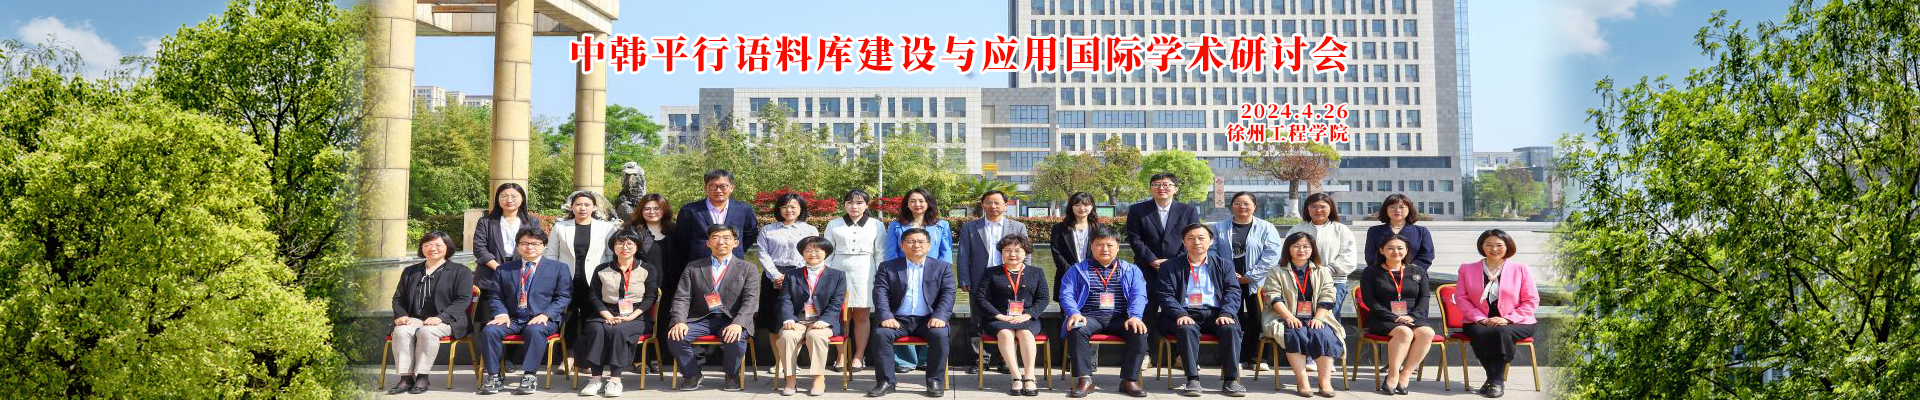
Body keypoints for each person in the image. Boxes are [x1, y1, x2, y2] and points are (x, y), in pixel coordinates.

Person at [476, 228, 573, 395]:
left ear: (544, 246)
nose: (529, 247)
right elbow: (495, 296)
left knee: (534, 330)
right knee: (489, 330)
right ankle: (494, 376)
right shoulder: (504, 269)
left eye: (535, 243)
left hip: (543, 318)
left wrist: (546, 314)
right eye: (524, 243)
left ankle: (529, 375)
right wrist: (501, 313)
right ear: (518, 246)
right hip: (512, 318)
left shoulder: (559, 268)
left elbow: (564, 297)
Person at [664, 225, 761, 391]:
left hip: (731, 319)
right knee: (676, 336)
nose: (721, 242)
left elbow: (750, 300)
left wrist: (738, 323)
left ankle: (732, 374)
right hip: (700, 318)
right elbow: (682, 297)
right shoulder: (693, 267)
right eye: (715, 238)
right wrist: (679, 321)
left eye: (726, 238)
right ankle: (692, 374)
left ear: (736, 243)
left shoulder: (748, 268)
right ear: (708, 243)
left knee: (735, 338)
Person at [1157, 223, 1248, 397]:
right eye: (1190, 238)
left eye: (1201, 238)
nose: (1196, 242)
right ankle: (1192, 379)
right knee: (1186, 328)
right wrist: (1180, 313)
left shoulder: (1224, 265)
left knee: (1230, 328)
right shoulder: (1170, 266)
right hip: (1185, 312)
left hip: (1216, 313)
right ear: (1183, 242)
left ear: (1210, 241)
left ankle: (1231, 380)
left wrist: (1227, 313)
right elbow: (1165, 294)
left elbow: (1233, 291)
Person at [1060, 226, 1151, 398]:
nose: (1104, 249)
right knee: (1077, 328)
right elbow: (1066, 294)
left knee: (1138, 331)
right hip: (1089, 316)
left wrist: (1135, 316)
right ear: (1091, 246)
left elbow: (1139, 295)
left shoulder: (1131, 270)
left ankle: (1129, 380)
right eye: (1099, 244)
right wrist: (1074, 312)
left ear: (1118, 247)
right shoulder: (1077, 270)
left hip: (1120, 317)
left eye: (1109, 245)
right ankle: (1085, 380)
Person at [866, 228, 957, 398]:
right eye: (910, 241)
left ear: (929, 245)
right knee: (881, 334)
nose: (916, 245)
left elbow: (949, 293)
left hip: (928, 319)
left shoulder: (942, 267)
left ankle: (934, 381)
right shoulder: (888, 267)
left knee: (940, 335)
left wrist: (940, 316)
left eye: (921, 241)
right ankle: (886, 382)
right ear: (902, 245)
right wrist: (886, 316)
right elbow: (880, 293)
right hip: (898, 319)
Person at [1124, 173, 1198, 372]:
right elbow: (1135, 239)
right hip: (1146, 270)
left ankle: (1181, 355)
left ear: (1175, 188)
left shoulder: (1188, 210)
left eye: (1166, 184)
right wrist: (1152, 260)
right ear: (1150, 188)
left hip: (1178, 270)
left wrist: (1173, 263)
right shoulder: (1138, 210)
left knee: (1178, 311)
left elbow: (1192, 238)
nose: (1161, 188)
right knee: (1145, 312)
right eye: (1156, 184)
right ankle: (1144, 354)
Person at [572, 232, 659, 397]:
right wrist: (608, 316)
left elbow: (650, 297)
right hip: (605, 313)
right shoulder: (601, 269)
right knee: (596, 330)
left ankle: (615, 380)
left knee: (619, 331)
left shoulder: (648, 268)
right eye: (620, 243)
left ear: (637, 247)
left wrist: (630, 317)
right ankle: (595, 379)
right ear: (613, 247)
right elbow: (594, 295)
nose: (625, 247)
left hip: (636, 315)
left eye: (630, 244)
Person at [387, 231, 474, 395]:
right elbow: (398, 298)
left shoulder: (461, 271)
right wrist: (401, 315)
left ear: (447, 247)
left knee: (427, 332)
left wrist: (441, 317)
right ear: (422, 248)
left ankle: (422, 376)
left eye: (438, 245)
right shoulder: (410, 271)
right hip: (415, 318)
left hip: (448, 319)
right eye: (427, 245)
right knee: (400, 331)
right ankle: (406, 378)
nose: (432, 248)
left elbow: (463, 300)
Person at [1455, 230, 1539, 398]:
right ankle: (1494, 380)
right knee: (1480, 332)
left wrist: (1507, 319)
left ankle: (1495, 380)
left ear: (1507, 247)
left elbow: (1531, 300)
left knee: (1502, 332)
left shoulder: (1520, 269)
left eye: (1499, 245)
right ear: (1482, 246)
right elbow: (1461, 298)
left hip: (1517, 321)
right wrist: (1481, 319)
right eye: (1489, 245)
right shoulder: (1467, 269)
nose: (1494, 249)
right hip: (1478, 320)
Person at [1260, 232, 1345, 398]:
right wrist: (1289, 317)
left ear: (1312, 249)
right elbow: (1273, 296)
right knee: (1293, 333)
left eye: (1306, 246)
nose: (1301, 250)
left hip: (1316, 316)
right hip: (1284, 316)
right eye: (1296, 246)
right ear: (1288, 249)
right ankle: (1302, 380)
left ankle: (1324, 381)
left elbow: (1328, 296)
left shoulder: (1322, 271)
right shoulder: (1276, 271)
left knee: (1324, 334)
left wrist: (1318, 318)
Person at [880, 188, 952, 374]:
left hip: (933, 277)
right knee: (902, 310)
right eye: (912, 201)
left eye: (921, 200)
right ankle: (905, 360)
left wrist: (944, 276)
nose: (917, 204)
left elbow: (946, 252)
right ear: (907, 204)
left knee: (933, 318)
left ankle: (926, 360)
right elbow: (891, 252)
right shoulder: (896, 225)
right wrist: (891, 275)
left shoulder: (941, 225)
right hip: (902, 274)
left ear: (928, 203)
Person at [957, 190, 1026, 373]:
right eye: (988, 202)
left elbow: (1026, 253)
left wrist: (1023, 277)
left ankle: (1006, 361)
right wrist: (964, 278)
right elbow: (963, 255)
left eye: (997, 202)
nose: (993, 206)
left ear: (1005, 205)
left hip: (1008, 278)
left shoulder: (1018, 227)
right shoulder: (970, 227)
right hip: (980, 279)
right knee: (977, 322)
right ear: (983, 204)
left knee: (1009, 320)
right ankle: (980, 360)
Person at [1214, 192, 1283, 372]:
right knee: (1232, 320)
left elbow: (1271, 255)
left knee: (1259, 320)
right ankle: (1236, 358)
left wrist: (1250, 276)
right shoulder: (1220, 227)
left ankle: (1258, 358)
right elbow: (1212, 251)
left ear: (1254, 206)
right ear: (1232, 206)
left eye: (1246, 203)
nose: (1242, 207)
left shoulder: (1266, 227)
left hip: (1258, 283)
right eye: (1237, 203)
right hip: (1229, 282)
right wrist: (1228, 274)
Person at [1358, 234, 1434, 395]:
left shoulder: (1418, 271)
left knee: (1427, 333)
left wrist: (1413, 316)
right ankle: (1393, 374)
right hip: (1383, 317)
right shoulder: (1371, 272)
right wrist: (1394, 317)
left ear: (1406, 250)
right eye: (1390, 248)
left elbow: (1425, 297)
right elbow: (1370, 301)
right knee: (1404, 332)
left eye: (1400, 248)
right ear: (1381, 250)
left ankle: (1405, 374)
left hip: (1412, 317)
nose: (1396, 251)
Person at [772, 236, 847, 396]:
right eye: (808, 250)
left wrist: (824, 320)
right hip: (798, 319)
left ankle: (819, 378)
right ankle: (790, 379)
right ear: (802, 253)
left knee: (816, 335)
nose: (812, 254)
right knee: (787, 336)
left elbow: (837, 302)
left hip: (824, 321)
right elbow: (785, 299)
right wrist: (788, 318)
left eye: (817, 250)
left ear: (826, 253)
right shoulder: (792, 275)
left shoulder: (838, 275)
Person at [549, 191, 618, 361]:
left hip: (595, 281)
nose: (582, 208)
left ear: (594, 207)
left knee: (592, 318)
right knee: (568, 319)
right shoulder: (560, 227)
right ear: (571, 207)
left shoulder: (606, 228)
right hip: (567, 280)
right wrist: (552, 279)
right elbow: (551, 255)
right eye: (578, 204)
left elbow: (610, 255)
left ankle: (588, 359)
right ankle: (568, 357)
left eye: (587, 205)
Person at [977, 234, 1049, 396]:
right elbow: (981, 298)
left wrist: (1028, 315)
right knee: (1005, 334)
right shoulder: (991, 273)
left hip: (1027, 317)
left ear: (1026, 253)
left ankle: (1029, 376)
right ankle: (1016, 376)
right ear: (1001, 253)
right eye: (1007, 250)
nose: (1012, 254)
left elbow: (1043, 299)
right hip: (999, 318)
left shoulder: (1036, 272)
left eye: (1017, 251)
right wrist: (998, 316)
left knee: (1025, 333)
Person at [758, 193, 822, 374]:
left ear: (801, 209)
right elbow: (762, 253)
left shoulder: (810, 230)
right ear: (779, 209)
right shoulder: (767, 229)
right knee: (774, 322)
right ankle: (779, 362)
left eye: (793, 206)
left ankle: (792, 362)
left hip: (800, 275)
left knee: (796, 319)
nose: (789, 210)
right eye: (784, 207)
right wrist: (776, 276)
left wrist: (792, 276)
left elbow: (812, 254)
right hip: (772, 276)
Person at [824, 189, 884, 372]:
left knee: (862, 316)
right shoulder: (834, 224)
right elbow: (827, 252)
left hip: (865, 272)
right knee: (841, 316)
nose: (854, 206)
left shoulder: (876, 225)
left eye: (859, 203)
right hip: (838, 271)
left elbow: (880, 253)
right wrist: (826, 276)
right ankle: (841, 355)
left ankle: (859, 356)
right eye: (850, 202)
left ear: (866, 205)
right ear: (844, 205)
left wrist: (880, 277)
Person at [472, 183, 542, 336]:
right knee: (489, 320)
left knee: (517, 318)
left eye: (513, 196)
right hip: (490, 273)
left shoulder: (532, 222)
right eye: (504, 196)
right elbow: (479, 248)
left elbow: (536, 246)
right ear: (497, 199)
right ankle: (487, 350)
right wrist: (499, 268)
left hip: (522, 272)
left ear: (522, 199)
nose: (509, 200)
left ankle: (512, 352)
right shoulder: (486, 222)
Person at [621, 193, 678, 374]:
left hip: (669, 284)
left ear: (664, 209)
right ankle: (638, 358)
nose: (652, 212)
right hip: (640, 284)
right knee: (640, 320)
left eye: (656, 208)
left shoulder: (674, 230)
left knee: (663, 321)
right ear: (641, 210)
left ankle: (656, 357)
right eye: (647, 208)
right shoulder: (632, 230)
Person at [1287, 193, 1361, 330]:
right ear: (1307, 208)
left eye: (1322, 206)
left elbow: (1348, 257)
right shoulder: (1297, 229)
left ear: (1331, 208)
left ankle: (1334, 343)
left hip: (1334, 281)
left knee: (1330, 318)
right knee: (1304, 319)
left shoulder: (1341, 230)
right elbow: (1287, 253)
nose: (1318, 210)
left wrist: (1326, 271)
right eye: (1314, 206)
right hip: (1302, 282)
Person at [1364, 194, 1436, 270]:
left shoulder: (1421, 232)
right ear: (1386, 209)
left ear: (1409, 209)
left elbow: (1427, 255)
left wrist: (1409, 270)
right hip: (1382, 274)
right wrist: (1385, 269)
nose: (1397, 210)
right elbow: (1370, 255)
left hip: (1413, 274)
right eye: (1392, 207)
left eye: (1401, 207)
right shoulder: (1374, 231)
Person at [1049, 192, 1099, 299]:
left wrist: (1088, 273)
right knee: (1068, 308)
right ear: (1071, 207)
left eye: (1086, 204)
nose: (1082, 208)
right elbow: (1057, 254)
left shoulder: (1100, 229)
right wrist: (1073, 273)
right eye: (1077, 205)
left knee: (1093, 307)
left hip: (1094, 279)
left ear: (1092, 206)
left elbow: (1103, 253)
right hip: (1067, 278)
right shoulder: (1059, 229)